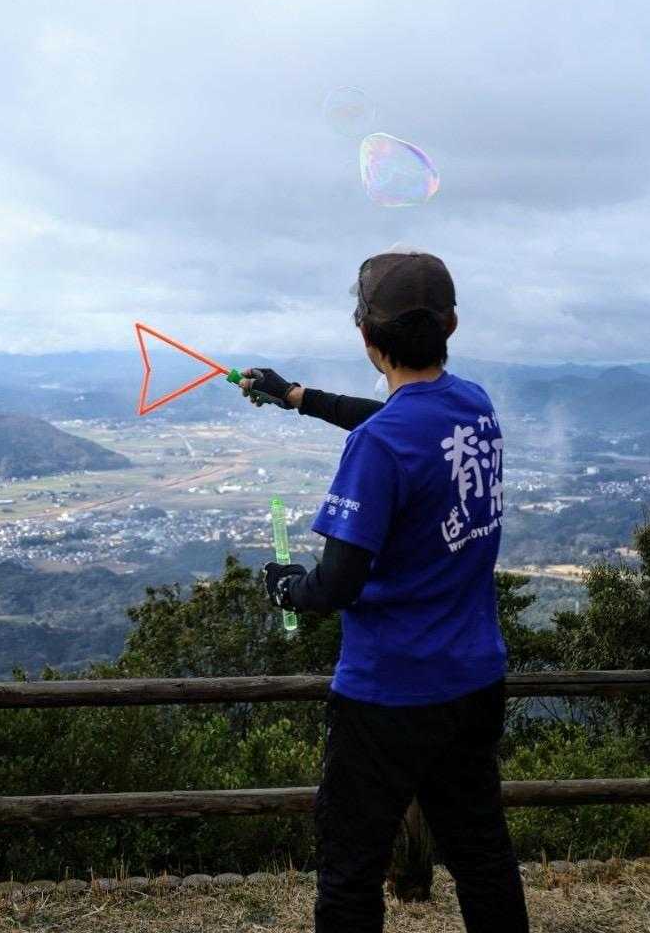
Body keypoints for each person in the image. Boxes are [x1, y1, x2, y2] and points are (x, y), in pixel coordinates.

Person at [237, 250, 528, 933]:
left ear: (366, 336)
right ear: (450, 325)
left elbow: (337, 584)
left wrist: (289, 589)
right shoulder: (474, 407)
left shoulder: (378, 447)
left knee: (350, 872)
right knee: (482, 855)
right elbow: (396, 420)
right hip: (473, 680)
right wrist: (297, 397)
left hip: (388, 694)